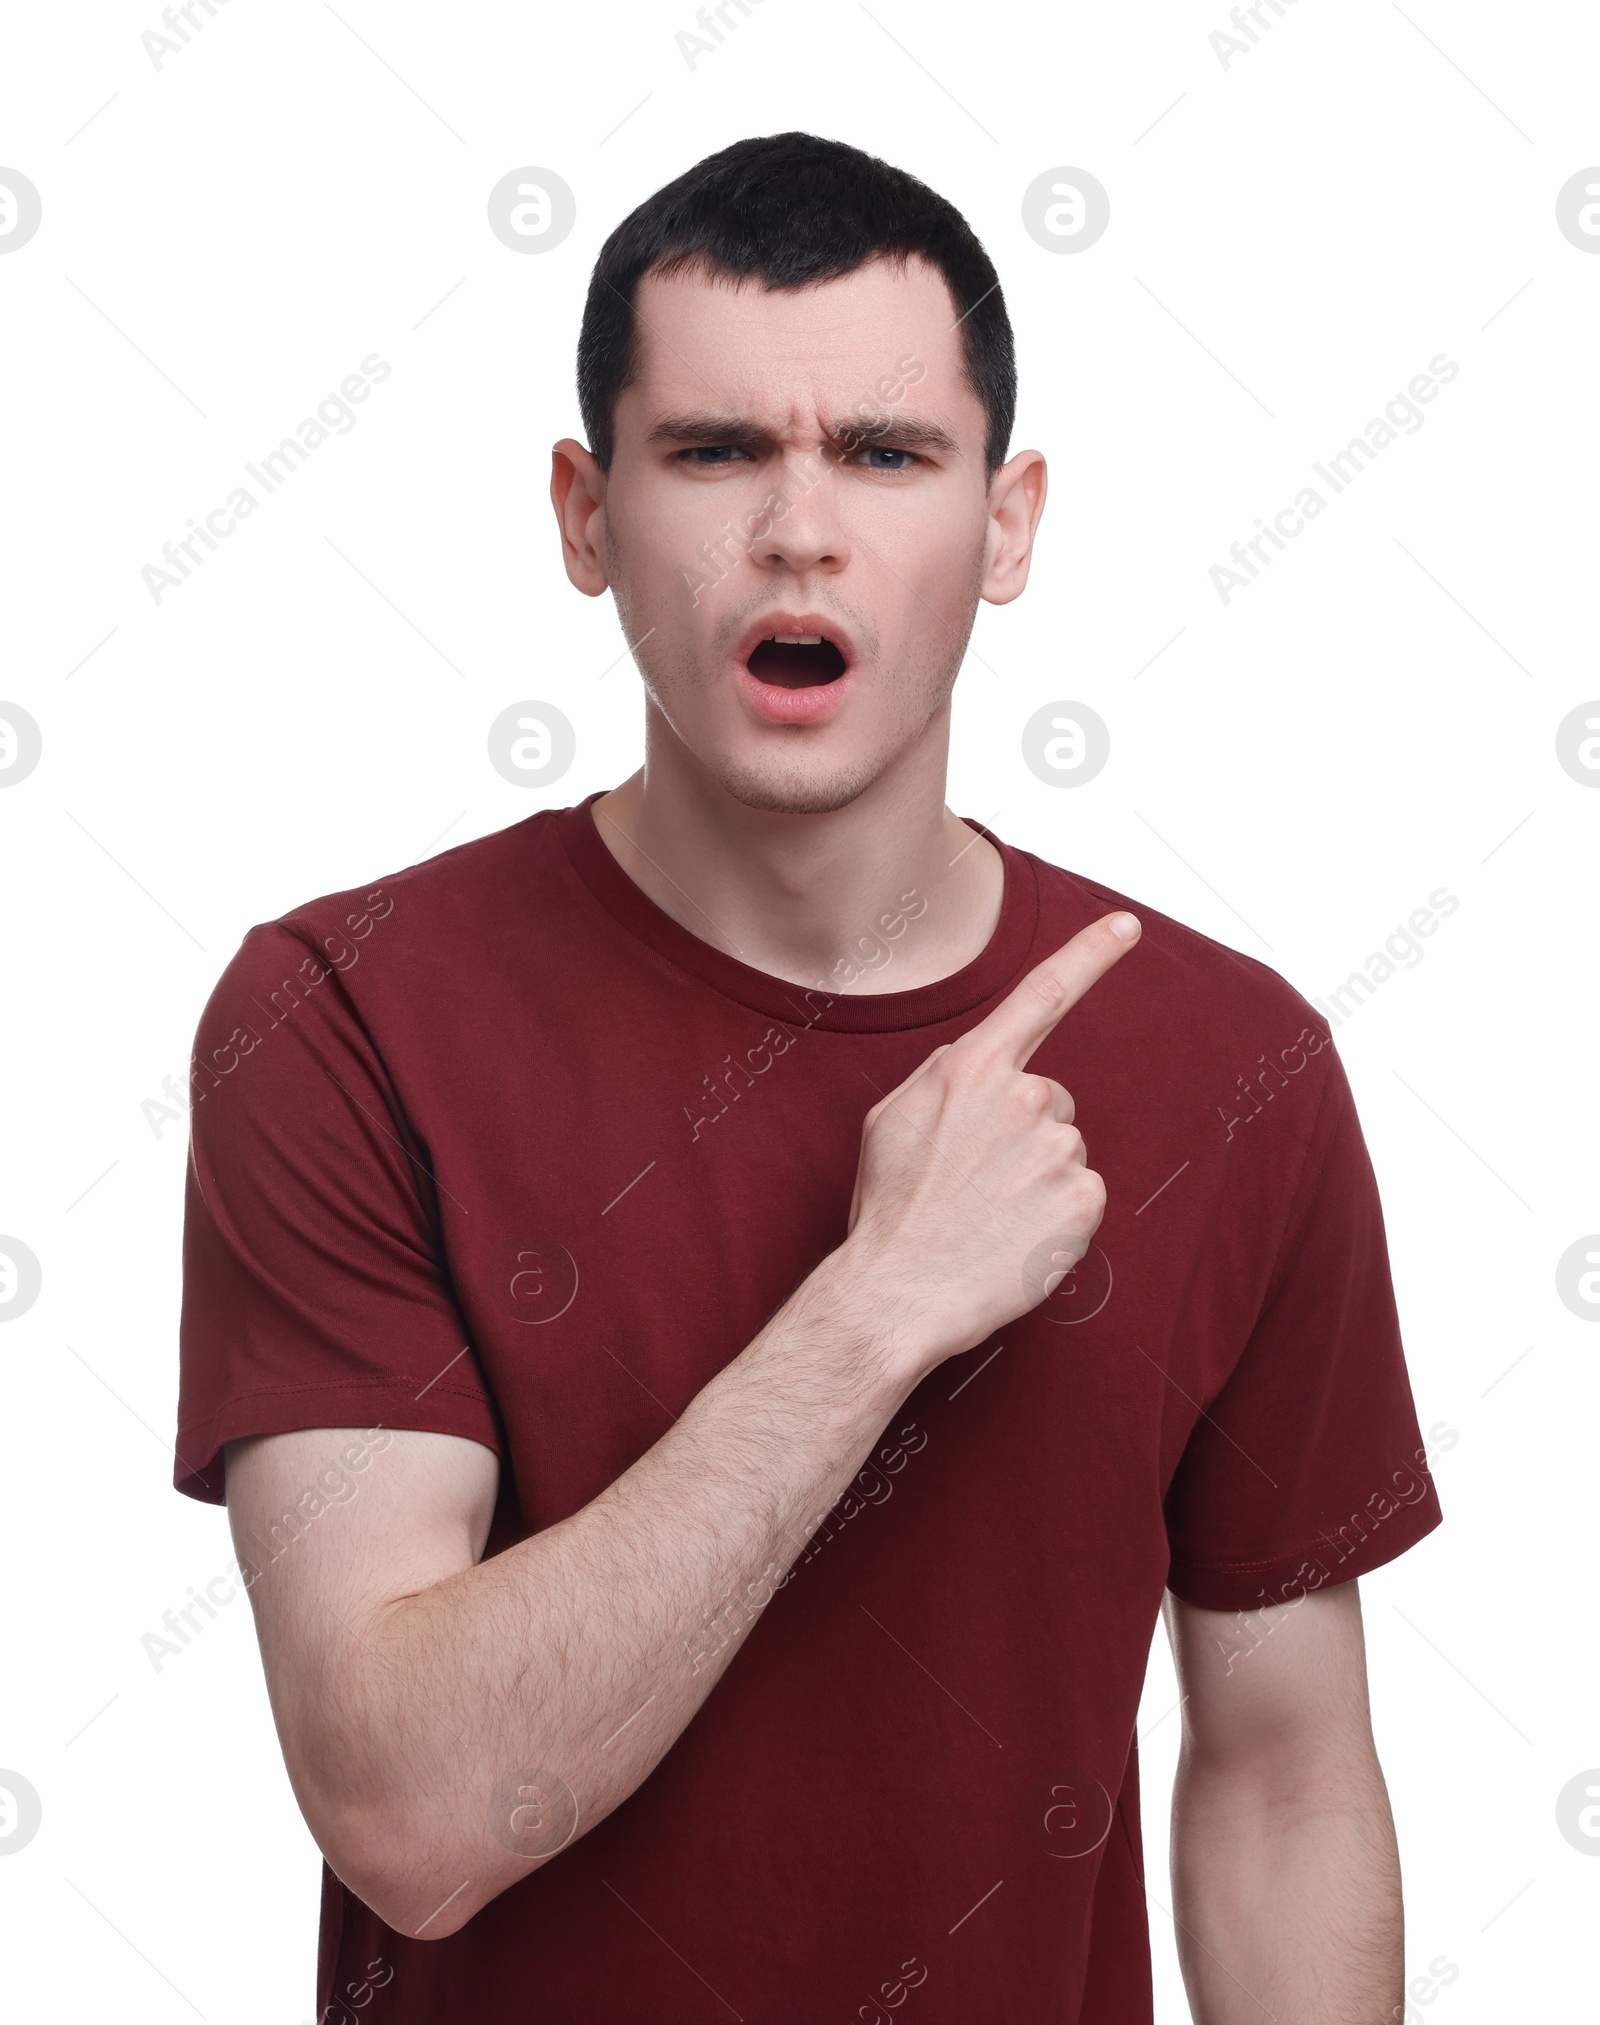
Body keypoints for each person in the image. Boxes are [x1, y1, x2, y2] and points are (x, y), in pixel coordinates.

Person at [173, 132, 1441, 2024]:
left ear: (1007, 525)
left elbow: (1281, 1780)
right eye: (713, 452)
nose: (799, 530)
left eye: (884, 452)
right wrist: (875, 1312)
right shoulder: (343, 1017)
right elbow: (413, 1806)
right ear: (586, 516)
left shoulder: (1234, 1060)